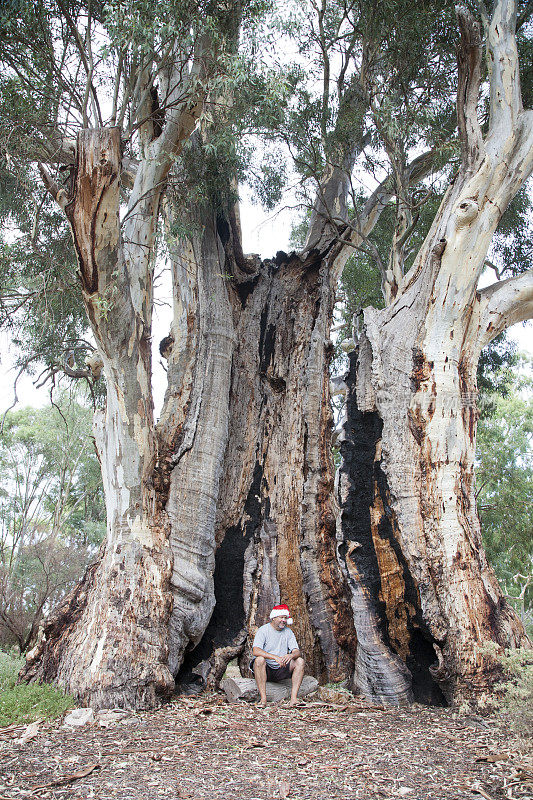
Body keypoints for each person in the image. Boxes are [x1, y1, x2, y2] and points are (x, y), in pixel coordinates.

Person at [251, 604, 305, 707]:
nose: (283, 620)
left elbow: (297, 651)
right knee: (259, 660)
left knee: (300, 661)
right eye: (281, 617)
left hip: (282, 668)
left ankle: (294, 699)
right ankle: (263, 700)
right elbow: (256, 650)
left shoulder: (288, 632)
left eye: (285, 618)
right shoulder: (264, 630)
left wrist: (290, 656)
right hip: (267, 669)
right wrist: (275, 657)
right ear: (274, 618)